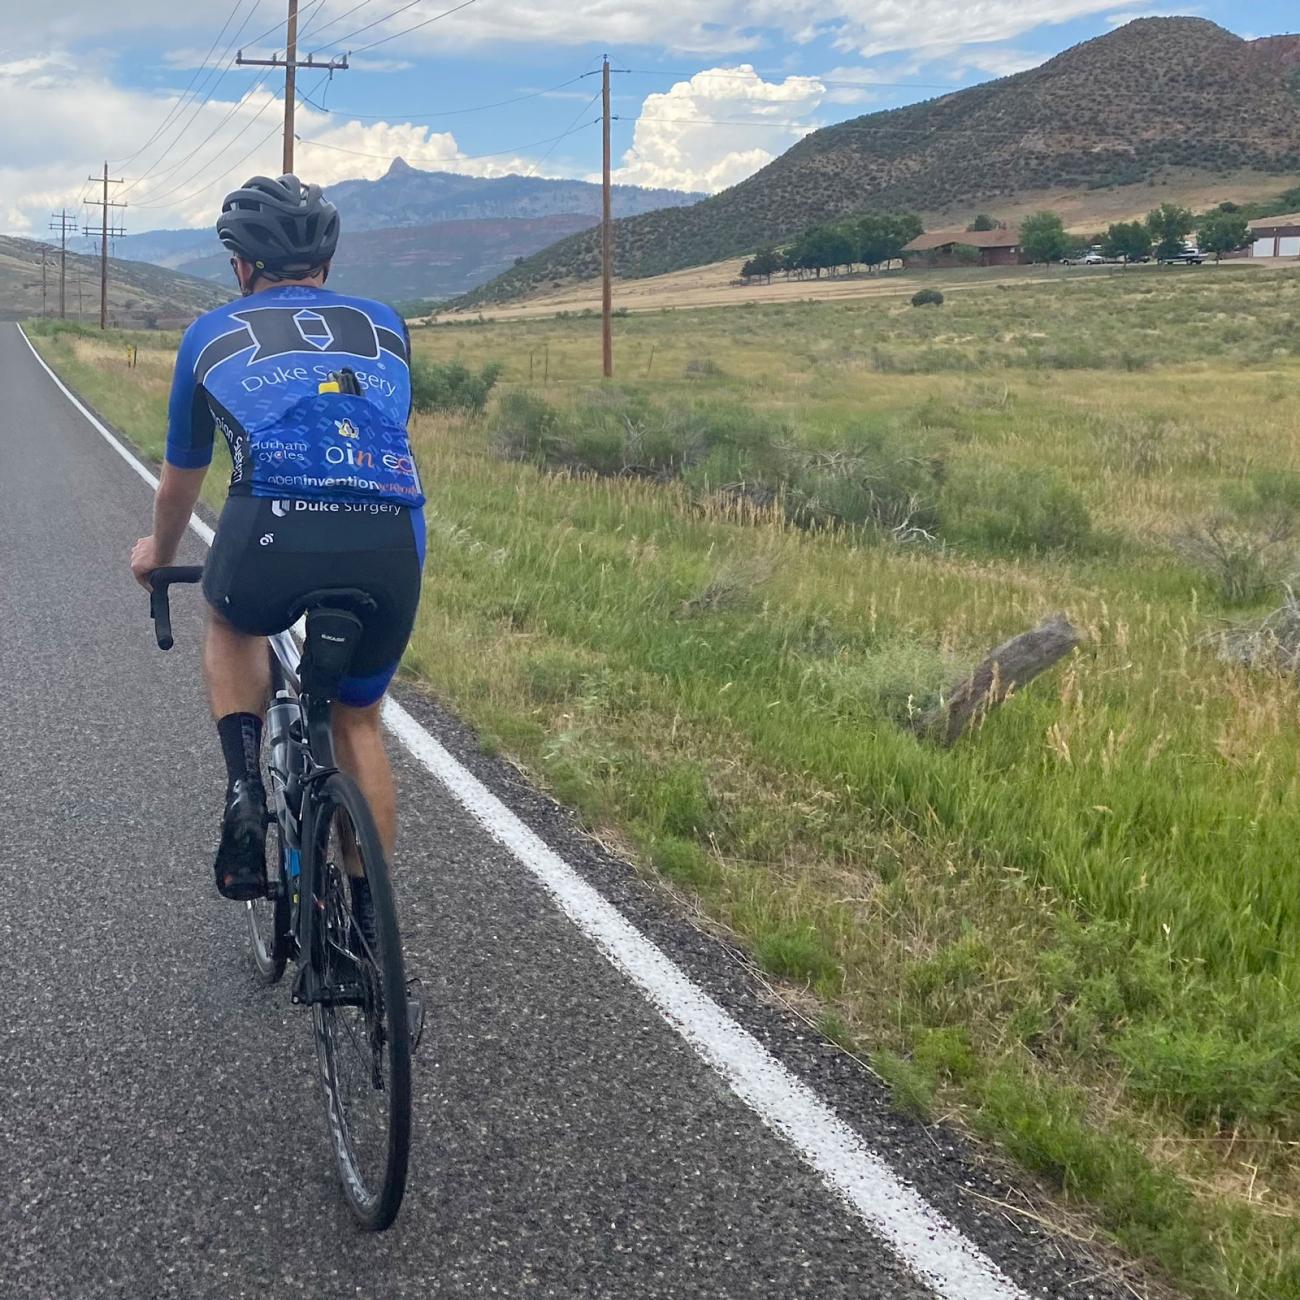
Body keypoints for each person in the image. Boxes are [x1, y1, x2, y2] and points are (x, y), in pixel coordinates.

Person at [130, 174, 426, 907]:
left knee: (233, 620)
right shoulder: (388, 322)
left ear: (240, 266)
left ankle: (243, 790)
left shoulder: (209, 333)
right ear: (325, 263)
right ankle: (367, 921)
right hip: (391, 534)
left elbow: (181, 482)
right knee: (359, 722)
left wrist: (158, 557)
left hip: (271, 526)